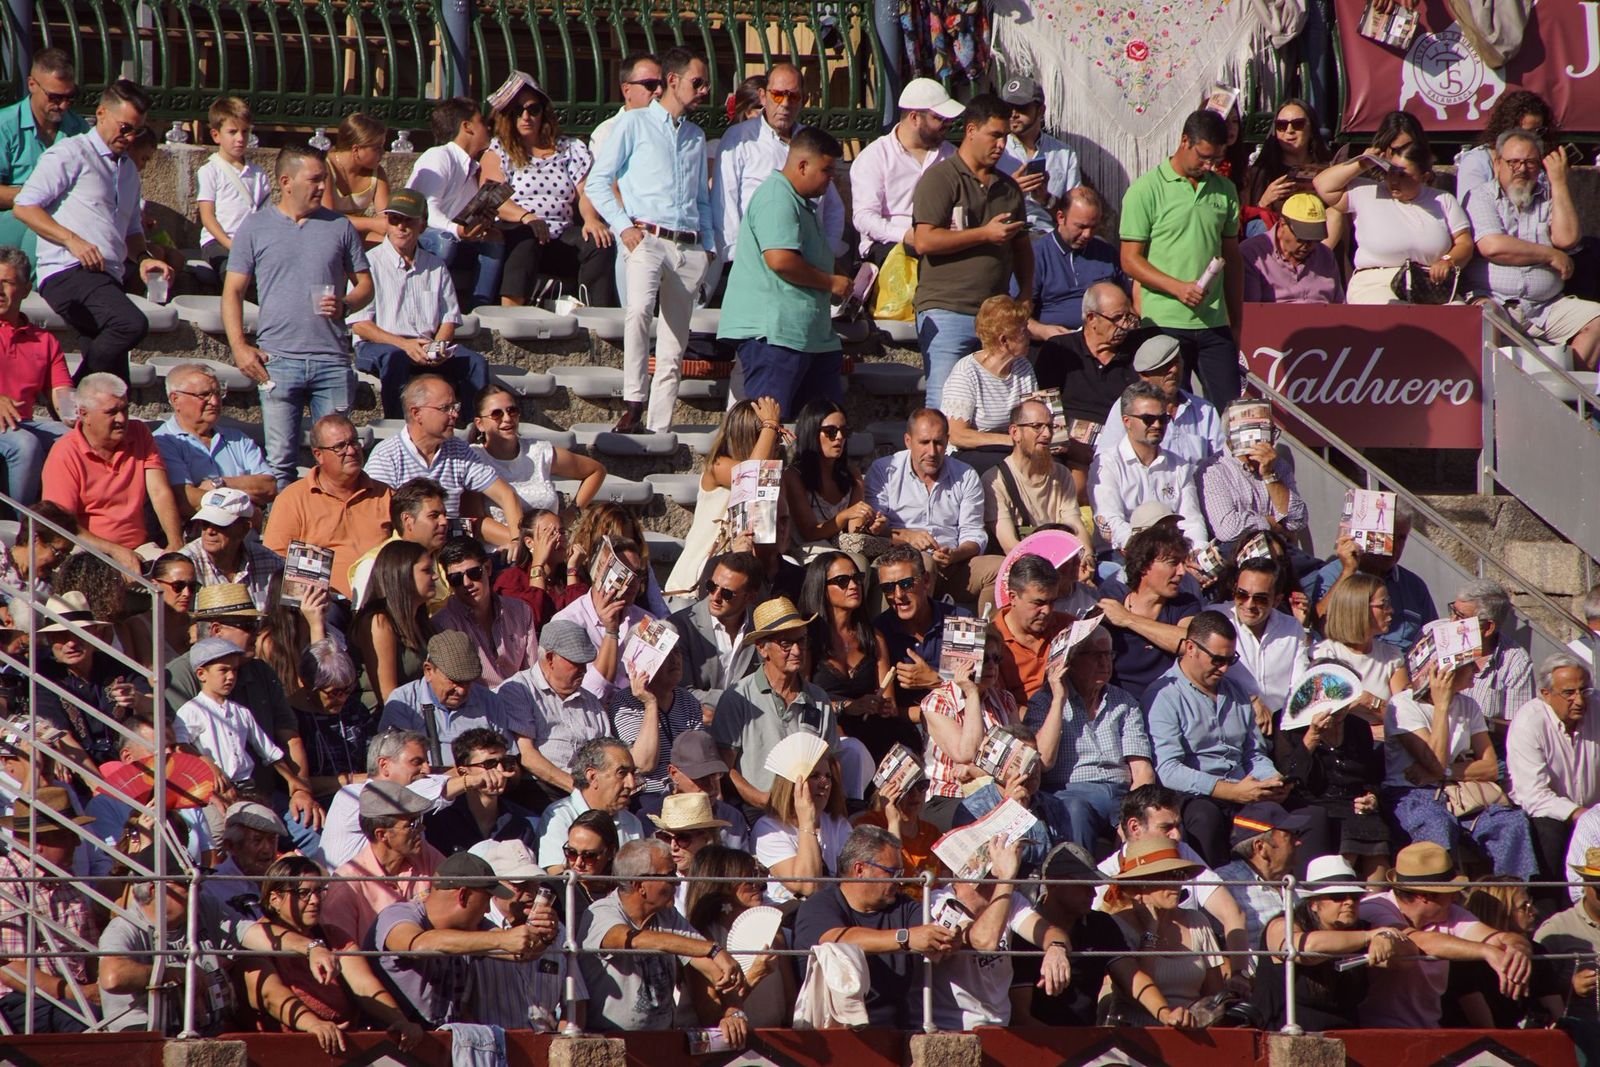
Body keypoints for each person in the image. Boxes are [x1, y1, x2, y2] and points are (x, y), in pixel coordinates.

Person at [223, 142, 374, 488]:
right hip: (278, 360)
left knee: (340, 461)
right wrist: (239, 347)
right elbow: (232, 292)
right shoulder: (255, 227)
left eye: (324, 179)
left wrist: (346, 304)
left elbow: (366, 285)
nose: (323, 187)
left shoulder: (340, 226)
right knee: (280, 464)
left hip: (331, 359)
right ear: (286, 182)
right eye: (315, 179)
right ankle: (281, 523)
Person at [585, 46, 714, 435]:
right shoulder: (633, 123)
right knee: (639, 312)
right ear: (672, 81)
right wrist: (623, 226)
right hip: (646, 237)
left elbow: (702, 199)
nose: (704, 90)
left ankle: (659, 426)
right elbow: (597, 182)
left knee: (675, 342)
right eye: (698, 82)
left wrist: (708, 247)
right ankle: (633, 403)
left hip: (688, 245)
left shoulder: (696, 135)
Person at [12, 79, 170, 384]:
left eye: (136, 131)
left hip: (107, 277)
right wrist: (72, 240)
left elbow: (132, 231)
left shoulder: (128, 170)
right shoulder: (71, 152)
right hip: (68, 271)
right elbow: (25, 206)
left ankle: (76, 403)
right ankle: (70, 393)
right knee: (130, 324)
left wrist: (144, 258)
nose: (129, 137)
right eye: (125, 127)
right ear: (101, 113)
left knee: (113, 387)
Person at [718, 126, 852, 416]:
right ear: (802, 165)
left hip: (809, 336)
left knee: (822, 429)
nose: (832, 178)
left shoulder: (801, 202)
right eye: (827, 170)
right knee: (770, 428)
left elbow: (809, 256)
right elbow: (780, 260)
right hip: (776, 337)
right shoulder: (777, 197)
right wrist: (831, 282)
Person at [910, 93, 1032, 409]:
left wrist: (1026, 293)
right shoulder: (940, 179)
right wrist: (984, 234)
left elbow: (1022, 247)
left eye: (1006, 137)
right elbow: (924, 241)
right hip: (947, 309)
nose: (1001, 145)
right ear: (971, 130)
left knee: (996, 403)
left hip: (995, 314)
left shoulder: (1009, 188)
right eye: (995, 135)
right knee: (944, 402)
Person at [1145, 610, 1294, 868]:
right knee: (1206, 816)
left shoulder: (1236, 691)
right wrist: (1229, 791)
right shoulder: (1163, 695)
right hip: (1194, 796)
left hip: (1243, 789)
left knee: (1296, 816)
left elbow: (1253, 753)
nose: (1224, 668)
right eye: (1217, 660)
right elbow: (1168, 770)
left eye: (1230, 660)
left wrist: (1272, 780)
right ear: (1190, 648)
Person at [1119, 109, 1243, 406]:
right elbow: (1129, 260)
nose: (1209, 166)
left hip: (1214, 323)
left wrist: (1236, 322)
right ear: (1185, 141)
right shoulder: (1145, 189)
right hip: (1163, 321)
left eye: (1216, 159)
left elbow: (1233, 260)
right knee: (1167, 408)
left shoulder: (1225, 190)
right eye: (1203, 157)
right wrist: (1177, 288)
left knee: (1230, 410)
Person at [244, 854, 424, 1050]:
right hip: (284, 1048)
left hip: (347, 1042)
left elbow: (364, 986)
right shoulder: (257, 941)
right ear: (275, 899)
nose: (314, 900)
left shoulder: (333, 936)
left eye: (319, 891)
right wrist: (314, 1025)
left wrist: (399, 1020)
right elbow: (269, 995)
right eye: (303, 893)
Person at [1384, 658, 1537, 879]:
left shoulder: (1469, 705)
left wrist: (1445, 772)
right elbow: (1434, 761)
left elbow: (1490, 767)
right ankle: (1440, 893)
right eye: (1469, 664)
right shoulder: (1402, 705)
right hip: (1414, 793)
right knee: (1436, 823)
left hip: (1463, 792)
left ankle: (1513, 893)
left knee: (1511, 823)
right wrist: (1442, 706)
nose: (1477, 668)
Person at [792, 825, 958, 1028]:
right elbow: (838, 939)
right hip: (834, 1031)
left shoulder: (903, 906)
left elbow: (929, 931)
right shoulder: (819, 905)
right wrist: (905, 938)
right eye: (892, 872)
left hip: (896, 1031)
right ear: (860, 870)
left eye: (900, 873)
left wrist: (948, 936)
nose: (900, 882)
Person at [1357, 842, 1534, 1028]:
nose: (1456, 897)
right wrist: (1487, 951)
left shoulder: (1450, 912)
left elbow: (1499, 938)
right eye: (1449, 891)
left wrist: (1517, 949)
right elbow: (1416, 940)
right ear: (1424, 896)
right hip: (1373, 1030)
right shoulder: (1375, 908)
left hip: (1429, 1030)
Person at [579, 838, 746, 1033]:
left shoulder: (667, 915)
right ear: (640, 885)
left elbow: (711, 967)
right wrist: (713, 949)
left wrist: (732, 1011)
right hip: (609, 1041)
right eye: (669, 875)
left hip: (664, 1038)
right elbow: (632, 939)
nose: (677, 882)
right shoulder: (601, 912)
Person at [350, 187, 489, 422]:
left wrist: (438, 346)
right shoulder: (369, 264)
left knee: (476, 363)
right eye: (394, 220)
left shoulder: (436, 266)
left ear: (422, 225)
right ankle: (397, 428)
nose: (401, 227)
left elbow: (449, 318)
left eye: (408, 221)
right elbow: (360, 324)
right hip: (380, 345)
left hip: (425, 345)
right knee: (395, 359)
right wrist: (404, 344)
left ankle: (475, 429)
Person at [1465, 130, 1600, 369]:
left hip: (1545, 306)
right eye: (1513, 162)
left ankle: (1566, 387)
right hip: (1496, 300)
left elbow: (1567, 238)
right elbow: (1492, 246)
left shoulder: (1549, 195)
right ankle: (1496, 388)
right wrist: (1549, 254)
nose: (1521, 169)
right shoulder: (1481, 196)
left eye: (1530, 162)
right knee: (1484, 314)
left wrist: (1559, 183)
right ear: (1497, 164)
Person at [481, 72, 614, 307]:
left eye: (533, 109)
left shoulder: (569, 148)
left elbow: (585, 191)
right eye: (518, 111)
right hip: (519, 229)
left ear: (543, 112)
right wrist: (527, 217)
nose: (526, 117)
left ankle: (595, 313)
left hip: (560, 232)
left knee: (598, 241)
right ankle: (510, 312)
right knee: (526, 236)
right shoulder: (499, 150)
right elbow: (493, 196)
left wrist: (591, 219)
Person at [370, 852, 542, 1027]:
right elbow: (418, 945)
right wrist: (501, 939)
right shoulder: (398, 915)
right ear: (463, 896)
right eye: (486, 899)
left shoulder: (474, 925)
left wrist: (544, 933)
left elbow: (520, 953)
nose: (488, 910)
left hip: (443, 1037)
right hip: (390, 1037)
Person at [714, 62, 846, 285]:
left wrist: (827, 253)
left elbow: (833, 207)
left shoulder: (811, 141)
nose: (784, 104)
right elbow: (725, 203)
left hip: (808, 264)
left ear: (803, 100)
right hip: (755, 264)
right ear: (763, 96)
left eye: (793, 96)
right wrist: (738, 259)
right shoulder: (739, 139)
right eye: (777, 95)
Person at [1024, 625, 1154, 851]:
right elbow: (1043, 762)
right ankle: (1077, 874)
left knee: (1156, 812)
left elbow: (1142, 770)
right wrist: (1058, 700)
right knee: (1075, 811)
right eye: (1096, 655)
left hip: (1121, 794)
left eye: (1109, 655)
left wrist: (1133, 812)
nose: (1105, 663)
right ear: (1070, 661)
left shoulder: (1124, 701)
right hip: (1069, 793)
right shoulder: (1044, 701)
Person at [713, 596, 848, 811]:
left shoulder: (819, 699)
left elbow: (831, 762)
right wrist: (763, 801)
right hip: (757, 810)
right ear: (762, 648)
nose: (797, 650)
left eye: (801, 641)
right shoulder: (738, 697)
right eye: (786, 644)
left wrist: (833, 812)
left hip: (810, 807)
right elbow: (725, 768)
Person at [41, 372, 183, 571]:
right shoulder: (64, 453)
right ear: (84, 414)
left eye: (124, 409)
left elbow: (159, 491)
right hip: (85, 553)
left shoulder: (139, 433)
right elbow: (61, 523)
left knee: (179, 570)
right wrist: (115, 551)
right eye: (111, 412)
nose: (122, 419)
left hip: (139, 548)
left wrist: (175, 542)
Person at [1252, 855, 1408, 1032]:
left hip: (1346, 1035)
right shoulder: (1282, 925)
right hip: (1283, 1035)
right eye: (1338, 896)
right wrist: (1369, 936)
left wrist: (1387, 938)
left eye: (1355, 896)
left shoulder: (1364, 929)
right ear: (1314, 904)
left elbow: (1408, 955)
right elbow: (1305, 948)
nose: (1349, 902)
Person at [363, 376, 522, 543]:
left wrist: (517, 542)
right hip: (407, 552)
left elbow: (506, 495)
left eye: (455, 406)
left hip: (452, 551)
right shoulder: (387, 457)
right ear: (417, 413)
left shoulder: (458, 449)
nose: (455, 414)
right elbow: (377, 522)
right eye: (445, 408)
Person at [176, 636, 318, 822]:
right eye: (223, 670)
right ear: (202, 674)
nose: (231, 677)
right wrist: (206, 763)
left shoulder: (241, 712)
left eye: (234, 670)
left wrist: (292, 779)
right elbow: (179, 744)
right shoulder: (192, 711)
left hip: (247, 788)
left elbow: (268, 751)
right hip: (217, 789)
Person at [1313, 141, 1473, 305]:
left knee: (1459, 312)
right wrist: (1363, 163)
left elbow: (1464, 242)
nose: (1394, 180)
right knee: (1396, 311)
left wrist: (1448, 260)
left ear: (1424, 177)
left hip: (1430, 285)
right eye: (1391, 172)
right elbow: (1322, 184)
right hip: (1376, 283)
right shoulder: (1368, 191)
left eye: (1402, 175)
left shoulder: (1443, 199)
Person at [261, 414, 393, 603]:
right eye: (340, 446)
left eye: (354, 442)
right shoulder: (293, 499)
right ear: (318, 455)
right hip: (321, 605)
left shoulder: (386, 495)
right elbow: (275, 560)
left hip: (382, 601)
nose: (351, 451)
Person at [801, 552, 917, 764]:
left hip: (873, 733)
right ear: (821, 588)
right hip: (826, 734)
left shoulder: (873, 636)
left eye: (857, 578)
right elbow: (801, 700)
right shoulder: (807, 639)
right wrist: (847, 706)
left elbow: (888, 702)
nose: (854, 585)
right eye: (842, 581)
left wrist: (883, 706)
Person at [0, 787, 100, 1034]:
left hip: (67, 994)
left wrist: (101, 988)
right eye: (65, 835)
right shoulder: (7, 880)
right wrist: (77, 993)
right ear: (36, 843)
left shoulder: (67, 881)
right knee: (85, 1018)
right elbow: (8, 970)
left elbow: (91, 953)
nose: (77, 843)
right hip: (18, 998)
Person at [664, 397, 785, 598]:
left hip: (743, 578)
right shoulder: (717, 466)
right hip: (698, 585)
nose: (777, 439)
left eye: (778, 433)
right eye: (772, 433)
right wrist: (770, 424)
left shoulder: (774, 477)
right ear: (748, 435)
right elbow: (753, 480)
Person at [866, 409, 989, 603]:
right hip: (904, 560)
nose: (932, 452)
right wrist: (906, 536)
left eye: (938, 443)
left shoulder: (965, 475)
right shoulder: (885, 470)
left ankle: (990, 625)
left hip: (955, 564)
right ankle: (922, 623)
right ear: (908, 441)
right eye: (924, 442)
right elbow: (876, 528)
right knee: (925, 564)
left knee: (1000, 570)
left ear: (947, 441)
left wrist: (955, 554)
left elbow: (974, 533)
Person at [1104, 835, 1228, 1026]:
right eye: (1165, 876)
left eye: (1178, 875)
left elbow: (1214, 993)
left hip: (1192, 1029)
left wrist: (1193, 1019)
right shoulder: (1117, 926)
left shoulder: (1197, 921)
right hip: (1136, 1031)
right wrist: (1151, 931)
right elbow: (1136, 993)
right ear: (1141, 883)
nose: (1175, 884)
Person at [1512, 655, 1600, 898]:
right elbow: (1533, 795)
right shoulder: (1529, 723)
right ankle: (1550, 907)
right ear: (1546, 694)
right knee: (1548, 831)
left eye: (1584, 690)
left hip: (1594, 811)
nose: (1579, 700)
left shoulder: (1597, 708)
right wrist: (1580, 814)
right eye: (1569, 693)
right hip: (1550, 816)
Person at [1015, 843, 1131, 1026]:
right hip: (1038, 1041)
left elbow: (1131, 975)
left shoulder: (1101, 925)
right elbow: (1019, 1016)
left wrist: (1164, 1012)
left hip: (1089, 1038)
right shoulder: (1022, 932)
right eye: (1083, 885)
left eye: (1093, 885)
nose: (1093, 893)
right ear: (1053, 883)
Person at [321, 778, 444, 949]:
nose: (422, 828)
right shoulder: (348, 884)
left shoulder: (425, 854)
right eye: (412, 824)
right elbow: (344, 953)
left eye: (420, 820)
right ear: (381, 835)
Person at [406, 98, 503, 311]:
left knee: (494, 240)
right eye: (482, 121)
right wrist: (457, 230)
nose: (488, 127)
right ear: (467, 126)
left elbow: (463, 217)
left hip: (454, 238)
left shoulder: (471, 167)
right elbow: (426, 211)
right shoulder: (439, 156)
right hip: (421, 235)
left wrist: (481, 223)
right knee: (445, 241)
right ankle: (427, 308)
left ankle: (480, 310)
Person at [850, 77, 959, 265]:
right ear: (914, 118)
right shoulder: (875, 156)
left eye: (949, 119)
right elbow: (864, 217)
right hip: (889, 249)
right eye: (939, 118)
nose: (947, 124)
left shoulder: (951, 154)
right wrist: (904, 235)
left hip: (940, 244)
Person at [1088, 381, 1207, 553]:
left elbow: (1192, 522)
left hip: (1171, 554)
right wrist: (1151, 552)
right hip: (1120, 554)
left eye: (1163, 419)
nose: (1157, 425)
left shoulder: (1180, 466)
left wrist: (1197, 553)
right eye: (1148, 419)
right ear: (1127, 421)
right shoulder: (1107, 464)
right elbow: (1110, 521)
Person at [378, 630, 526, 768]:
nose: (462, 690)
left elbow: (510, 760)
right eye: (454, 681)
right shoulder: (403, 702)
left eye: (468, 682)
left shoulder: (489, 701)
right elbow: (397, 769)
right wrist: (464, 777)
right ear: (428, 671)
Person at [684, 845, 795, 1026]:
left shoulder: (772, 929)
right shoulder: (701, 939)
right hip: (729, 1040)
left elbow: (791, 1000)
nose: (758, 884)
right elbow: (710, 1017)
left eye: (757, 876)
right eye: (748, 879)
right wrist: (754, 975)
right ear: (723, 885)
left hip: (777, 1035)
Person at [1304, 503, 1437, 654]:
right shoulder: (1333, 574)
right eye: (1388, 537)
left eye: (1401, 538)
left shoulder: (1414, 586)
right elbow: (1318, 626)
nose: (1394, 546)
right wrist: (1348, 572)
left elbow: (1432, 635)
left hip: (1402, 663)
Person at [497, 620, 609, 799]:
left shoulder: (590, 701)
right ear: (550, 659)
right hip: (540, 789)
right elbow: (527, 757)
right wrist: (580, 791)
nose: (584, 670)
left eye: (585, 663)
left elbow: (607, 753)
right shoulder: (519, 690)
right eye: (576, 662)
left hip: (590, 788)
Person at [0, 49, 89, 267]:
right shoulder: (5, 126)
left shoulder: (79, 129)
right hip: (13, 219)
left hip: (63, 220)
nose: (63, 105)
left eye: (70, 97)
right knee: (39, 226)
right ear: (32, 84)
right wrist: (36, 196)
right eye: (55, 97)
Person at [153, 362, 275, 518]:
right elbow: (185, 500)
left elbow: (269, 487)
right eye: (204, 395)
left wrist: (219, 483)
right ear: (176, 399)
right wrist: (246, 508)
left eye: (218, 393)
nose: (215, 402)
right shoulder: (163, 442)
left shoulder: (237, 439)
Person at [0, 244, 72, 504]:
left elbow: (62, 392)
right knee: (25, 444)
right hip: (14, 431)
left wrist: (76, 415)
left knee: (74, 439)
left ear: (26, 289)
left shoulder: (44, 340)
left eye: (7, 282)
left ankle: (65, 517)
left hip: (22, 422)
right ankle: (21, 524)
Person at [470, 385, 605, 520]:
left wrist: (571, 514)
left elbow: (596, 471)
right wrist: (524, 534)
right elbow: (477, 521)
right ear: (480, 424)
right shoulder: (472, 458)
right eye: (496, 414)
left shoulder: (538, 451)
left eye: (512, 411)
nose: (507, 418)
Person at [1092, 333, 1226, 469]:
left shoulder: (1204, 409)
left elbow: (1222, 460)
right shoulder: (1127, 406)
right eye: (1165, 365)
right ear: (1145, 375)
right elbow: (1105, 459)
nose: (1174, 370)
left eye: (1177, 362)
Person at [1198, 401, 1308, 558]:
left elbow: (1298, 520)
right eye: (1263, 430)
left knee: (1332, 568)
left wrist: (1269, 475)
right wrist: (1274, 524)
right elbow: (1228, 530)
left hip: (1283, 554)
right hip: (1241, 558)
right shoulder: (1213, 470)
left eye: (1271, 431)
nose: (1271, 439)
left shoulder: (1278, 465)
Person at [874, 544, 976, 713]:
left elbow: (975, 693)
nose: (898, 595)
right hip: (904, 723)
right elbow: (885, 709)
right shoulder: (879, 630)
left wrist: (935, 680)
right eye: (888, 588)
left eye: (906, 584)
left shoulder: (962, 621)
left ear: (926, 580)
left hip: (958, 719)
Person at [942, 294, 1039, 470]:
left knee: (1054, 463)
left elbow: (1033, 415)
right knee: (1014, 467)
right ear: (1004, 340)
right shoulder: (967, 372)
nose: (1030, 336)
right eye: (1024, 331)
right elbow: (957, 435)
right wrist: (1011, 440)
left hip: (1012, 448)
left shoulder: (1023, 367)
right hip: (971, 453)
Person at [549, 536, 653, 699]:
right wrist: (611, 632)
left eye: (638, 574)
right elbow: (586, 692)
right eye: (625, 572)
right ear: (600, 571)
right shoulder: (568, 622)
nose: (634, 582)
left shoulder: (646, 621)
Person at [981, 399, 1084, 557]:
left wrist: (1087, 557)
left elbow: (1076, 527)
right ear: (1015, 433)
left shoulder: (1061, 474)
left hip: (1063, 559)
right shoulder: (995, 480)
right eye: (1037, 426)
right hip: (1026, 565)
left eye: (1050, 426)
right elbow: (1010, 546)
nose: (1047, 434)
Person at [1018, 188, 1125, 340]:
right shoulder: (1036, 255)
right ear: (1061, 218)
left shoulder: (1106, 252)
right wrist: (1043, 331)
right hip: (1054, 342)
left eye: (1093, 227)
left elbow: (1127, 301)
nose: (1087, 234)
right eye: (1081, 227)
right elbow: (1016, 317)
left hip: (1106, 339)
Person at [1308, 573, 1411, 729]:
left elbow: (1408, 716)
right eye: (1384, 604)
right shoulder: (1324, 654)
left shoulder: (1392, 656)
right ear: (1359, 608)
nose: (1391, 610)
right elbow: (1327, 714)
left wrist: (1369, 701)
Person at [431, 535, 537, 686]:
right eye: (456, 579)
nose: (466, 583)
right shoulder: (442, 625)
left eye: (474, 573)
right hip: (476, 700)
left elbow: (533, 673)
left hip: (522, 696)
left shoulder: (521, 611)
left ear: (488, 568)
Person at [1213, 802, 1311, 965]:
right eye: (1289, 836)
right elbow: (1215, 952)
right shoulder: (1224, 884)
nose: (1298, 842)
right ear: (1261, 848)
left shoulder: (1294, 884)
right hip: (1254, 979)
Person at [783, 399, 884, 555]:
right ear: (811, 432)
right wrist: (844, 515)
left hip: (844, 551)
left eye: (844, 431)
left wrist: (870, 526)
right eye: (830, 431)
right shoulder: (793, 476)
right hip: (809, 554)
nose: (839, 437)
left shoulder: (853, 474)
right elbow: (809, 532)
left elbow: (854, 530)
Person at [753, 749, 852, 905]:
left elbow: (856, 879)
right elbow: (807, 886)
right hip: (787, 913)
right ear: (793, 784)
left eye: (828, 776)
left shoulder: (839, 824)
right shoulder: (769, 827)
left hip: (831, 909)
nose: (824, 783)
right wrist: (807, 822)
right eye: (814, 776)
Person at [670, 551, 762, 716]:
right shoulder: (680, 627)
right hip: (697, 721)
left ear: (750, 597)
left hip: (749, 720)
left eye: (727, 593)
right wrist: (738, 701)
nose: (715, 596)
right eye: (711, 586)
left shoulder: (761, 625)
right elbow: (680, 691)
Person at [608, 644, 704, 801]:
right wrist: (650, 703)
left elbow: (699, 759)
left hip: (688, 793)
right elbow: (643, 764)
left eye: (676, 651)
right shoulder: (624, 703)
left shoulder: (687, 700)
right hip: (648, 796)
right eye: (665, 655)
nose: (674, 660)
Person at [1223, 558, 1310, 730]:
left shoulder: (1292, 628)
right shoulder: (1218, 619)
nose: (1249, 604)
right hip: (1232, 724)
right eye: (1242, 594)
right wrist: (1249, 699)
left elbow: (1299, 685)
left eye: (1260, 599)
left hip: (1283, 727)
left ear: (1277, 601)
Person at [536, 736, 646, 872]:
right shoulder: (559, 817)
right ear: (592, 777)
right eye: (621, 773)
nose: (631, 784)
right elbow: (558, 876)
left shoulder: (632, 823)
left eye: (633, 774)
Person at [422, 727, 537, 856]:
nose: (500, 771)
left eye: (505, 763)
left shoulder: (520, 823)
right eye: (489, 764)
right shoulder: (439, 819)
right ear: (463, 772)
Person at [290, 638, 376, 807]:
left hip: (361, 796)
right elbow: (296, 783)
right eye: (334, 693)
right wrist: (354, 780)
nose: (342, 698)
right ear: (306, 684)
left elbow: (374, 760)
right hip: (317, 802)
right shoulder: (291, 719)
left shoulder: (355, 709)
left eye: (347, 689)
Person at [1240, 99, 1339, 244]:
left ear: (1311, 129)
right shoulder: (1261, 172)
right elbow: (1247, 223)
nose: (1289, 130)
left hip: (1321, 240)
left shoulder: (1329, 168)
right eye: (1281, 125)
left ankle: (1319, 255)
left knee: (1336, 212)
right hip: (1277, 245)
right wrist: (1264, 201)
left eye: (1298, 124)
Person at [350, 539, 435, 702]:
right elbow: (388, 696)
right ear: (402, 574)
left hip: (421, 708)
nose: (435, 576)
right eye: (426, 570)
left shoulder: (420, 619)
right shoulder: (379, 622)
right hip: (387, 713)